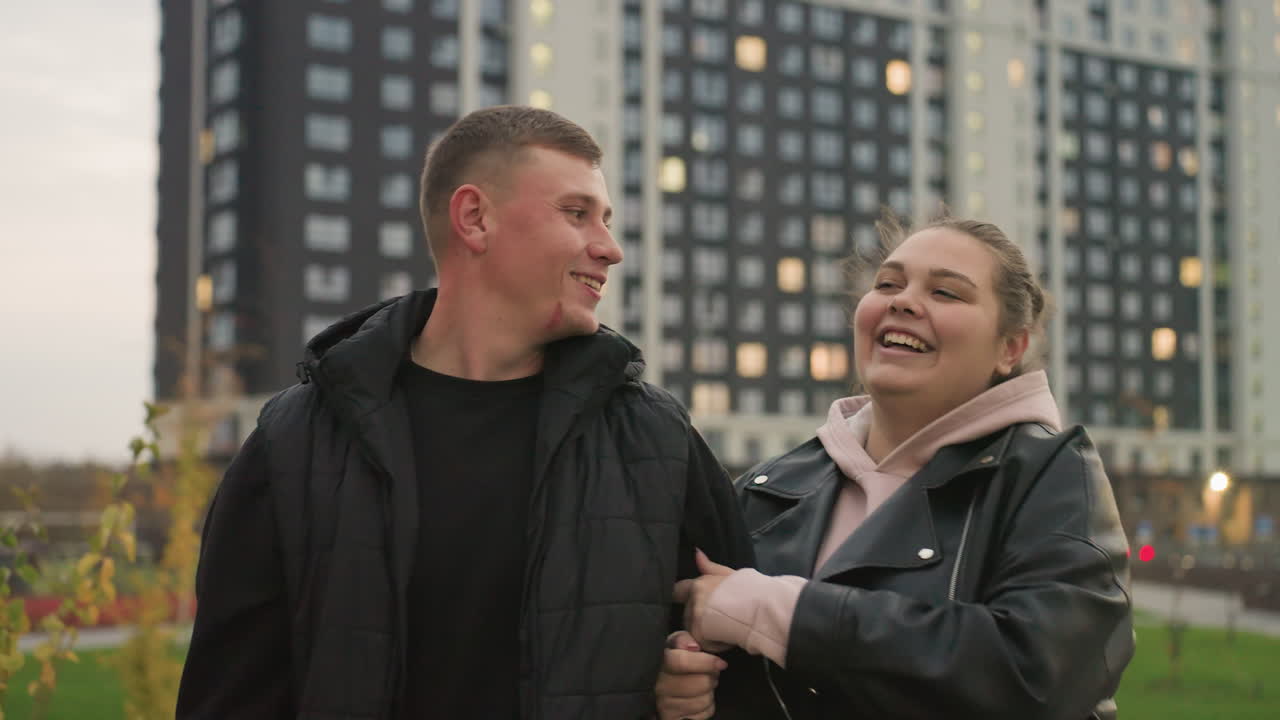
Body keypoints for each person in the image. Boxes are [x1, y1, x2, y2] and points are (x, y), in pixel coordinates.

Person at [176, 105, 753, 720]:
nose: (609, 249)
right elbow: (229, 695)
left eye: (606, 220)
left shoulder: (655, 438)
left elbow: (744, 656)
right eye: (577, 213)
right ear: (475, 218)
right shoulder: (296, 443)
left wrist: (686, 681)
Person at [656, 215, 1134, 720]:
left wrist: (779, 614)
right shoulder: (771, 483)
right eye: (888, 283)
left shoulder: (1050, 473)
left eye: (947, 293)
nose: (902, 300)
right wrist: (676, 682)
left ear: (1009, 347)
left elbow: (1036, 676)